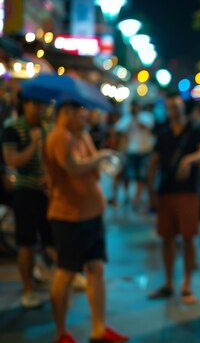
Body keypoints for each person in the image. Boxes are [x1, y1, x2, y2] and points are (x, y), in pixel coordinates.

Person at [43, 99, 127, 343]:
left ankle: (99, 328)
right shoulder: (59, 136)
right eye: (80, 115)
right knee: (67, 273)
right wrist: (100, 156)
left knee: (96, 268)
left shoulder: (81, 135)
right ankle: (61, 333)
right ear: (66, 114)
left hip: (91, 213)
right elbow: (72, 168)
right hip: (67, 215)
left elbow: (97, 171)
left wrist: (92, 149)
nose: (85, 119)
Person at [146, 92, 200, 305]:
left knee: (189, 238)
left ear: (183, 108)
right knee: (167, 238)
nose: (176, 110)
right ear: (167, 109)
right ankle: (169, 282)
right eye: (171, 106)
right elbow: (153, 162)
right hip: (166, 192)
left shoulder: (194, 131)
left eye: (178, 106)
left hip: (188, 192)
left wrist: (189, 160)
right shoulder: (163, 133)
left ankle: (187, 284)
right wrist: (151, 191)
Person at [1, 94, 53, 308]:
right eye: (37, 103)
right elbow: (12, 161)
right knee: (26, 242)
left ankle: (58, 276)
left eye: (43, 104)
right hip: (25, 192)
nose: (40, 108)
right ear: (26, 104)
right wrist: (33, 142)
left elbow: (51, 158)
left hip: (47, 193)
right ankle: (28, 289)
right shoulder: (13, 128)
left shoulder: (48, 128)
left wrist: (50, 177)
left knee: (52, 239)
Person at [114, 101, 154, 211]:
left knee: (141, 176)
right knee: (127, 175)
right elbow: (118, 129)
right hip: (130, 151)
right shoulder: (126, 118)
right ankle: (127, 196)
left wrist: (136, 119)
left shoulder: (146, 116)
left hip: (144, 151)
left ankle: (137, 199)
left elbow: (147, 127)